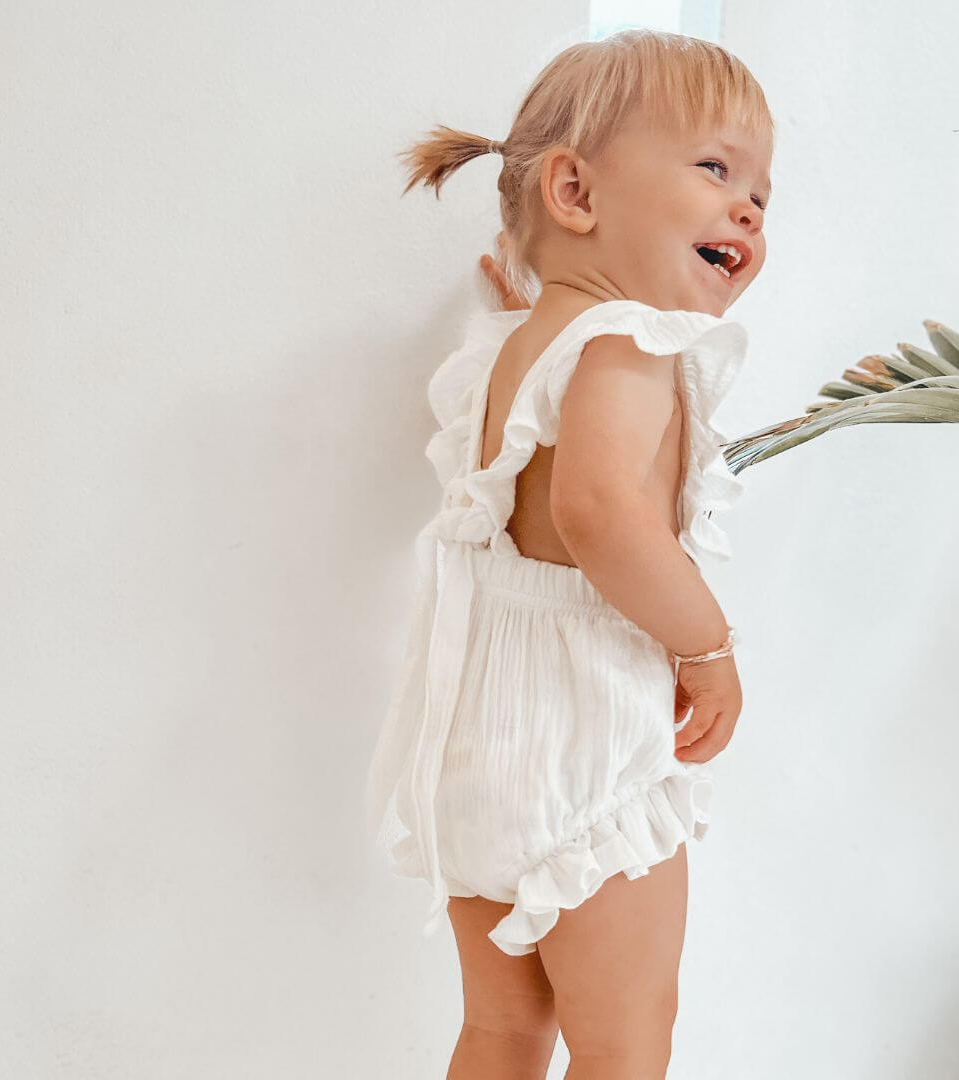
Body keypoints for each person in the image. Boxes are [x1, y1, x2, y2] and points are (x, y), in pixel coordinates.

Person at [366, 27, 774, 1080]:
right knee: (625, 1043)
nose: (748, 207)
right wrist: (707, 645)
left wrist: (528, 292)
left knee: (504, 1030)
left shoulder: (511, 347)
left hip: (474, 750)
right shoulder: (632, 343)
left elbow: (538, 463)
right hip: (587, 747)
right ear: (576, 194)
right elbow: (598, 513)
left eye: (762, 192)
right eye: (715, 168)